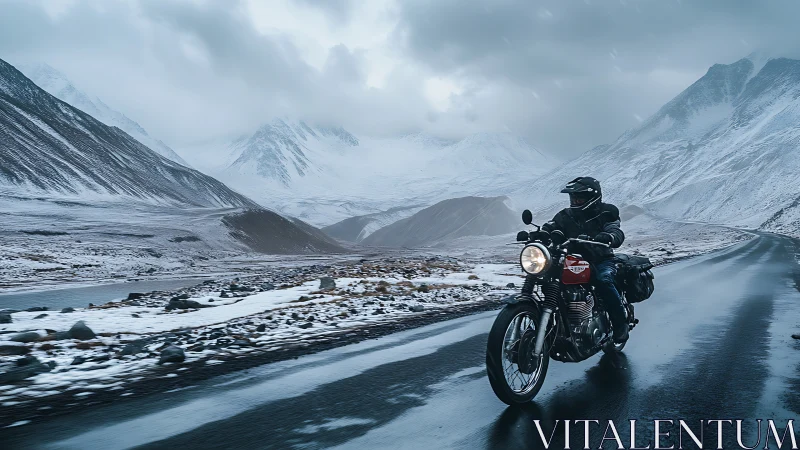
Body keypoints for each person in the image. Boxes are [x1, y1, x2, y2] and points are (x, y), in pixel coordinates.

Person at [541, 176, 629, 343]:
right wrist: (540, 233)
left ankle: (620, 325)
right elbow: (551, 226)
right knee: (548, 279)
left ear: (592, 197)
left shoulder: (607, 212)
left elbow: (615, 230)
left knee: (603, 280)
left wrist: (609, 236)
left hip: (600, 259)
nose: (575, 201)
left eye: (579, 198)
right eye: (573, 198)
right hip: (571, 260)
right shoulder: (565, 215)